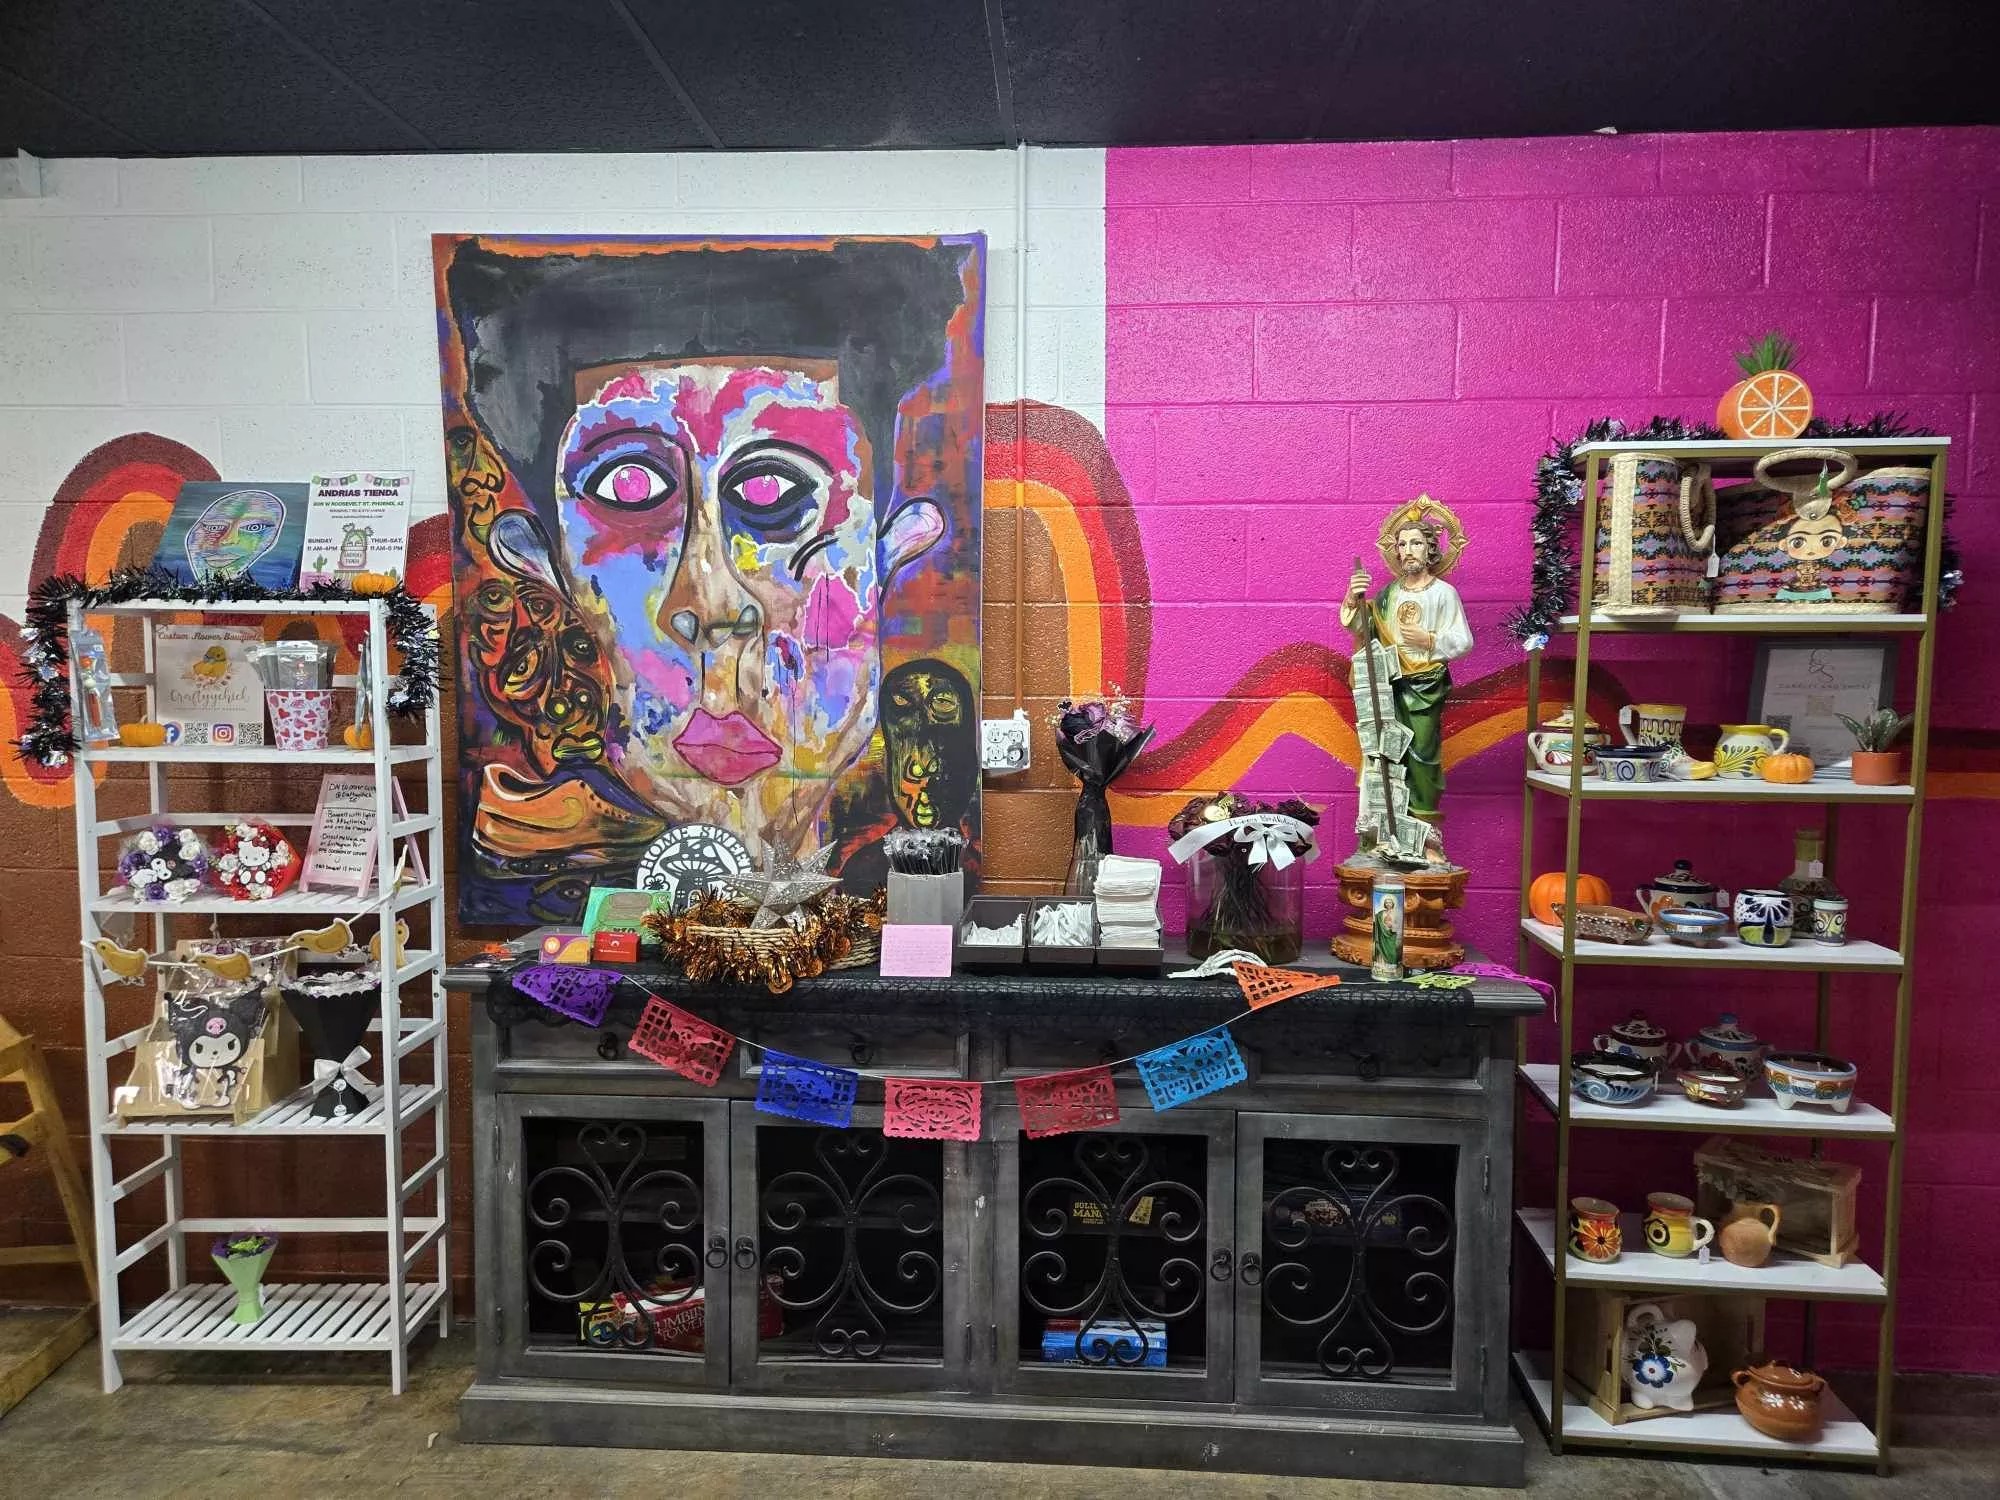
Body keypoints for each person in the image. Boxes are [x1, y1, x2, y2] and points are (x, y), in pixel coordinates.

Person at [1340, 501, 1474, 829]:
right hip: (1389, 684)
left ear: (1430, 548)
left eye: (1416, 543)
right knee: (1386, 754)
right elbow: (1364, 630)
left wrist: (1429, 640)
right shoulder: (1388, 594)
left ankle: (1425, 831)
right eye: (1402, 544)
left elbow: (1463, 640)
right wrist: (1354, 598)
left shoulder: (1444, 593)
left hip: (1424, 686)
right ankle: (1387, 827)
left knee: (1422, 756)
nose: (1407, 551)